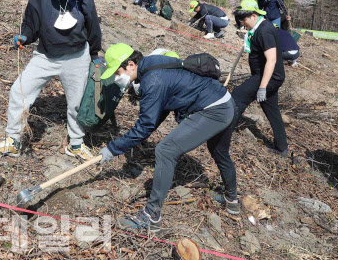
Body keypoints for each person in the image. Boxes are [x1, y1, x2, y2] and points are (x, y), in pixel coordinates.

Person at [98, 44, 238, 232]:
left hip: (214, 110)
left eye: (118, 72)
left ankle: (151, 216)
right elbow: (158, 113)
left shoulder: (152, 80)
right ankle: (232, 200)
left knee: (165, 150)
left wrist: (113, 149)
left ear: (131, 64)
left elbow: (145, 126)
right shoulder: (154, 64)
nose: (117, 78)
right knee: (219, 152)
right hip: (225, 101)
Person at [0, 0, 102, 161]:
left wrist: (94, 52)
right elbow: (31, 23)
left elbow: (93, 25)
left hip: (77, 57)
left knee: (77, 102)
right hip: (45, 56)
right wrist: (24, 36)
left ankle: (76, 144)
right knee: (18, 91)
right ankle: (13, 140)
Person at [231, 0, 288, 156]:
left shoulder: (264, 30)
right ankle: (282, 148)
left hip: (267, 76)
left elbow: (271, 59)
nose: (242, 23)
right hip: (267, 76)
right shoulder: (258, 28)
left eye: (244, 19)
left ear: (254, 15)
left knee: (238, 95)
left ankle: (223, 131)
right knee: (271, 110)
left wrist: (262, 86)